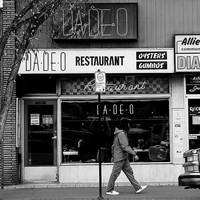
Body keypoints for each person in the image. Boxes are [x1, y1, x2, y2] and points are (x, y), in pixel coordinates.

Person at [106, 118, 147, 195]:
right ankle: (109, 190)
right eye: (128, 124)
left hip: (123, 157)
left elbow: (113, 146)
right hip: (120, 158)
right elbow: (125, 146)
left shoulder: (119, 133)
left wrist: (113, 156)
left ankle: (137, 187)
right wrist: (134, 154)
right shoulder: (121, 134)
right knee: (115, 174)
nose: (129, 126)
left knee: (129, 172)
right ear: (125, 125)